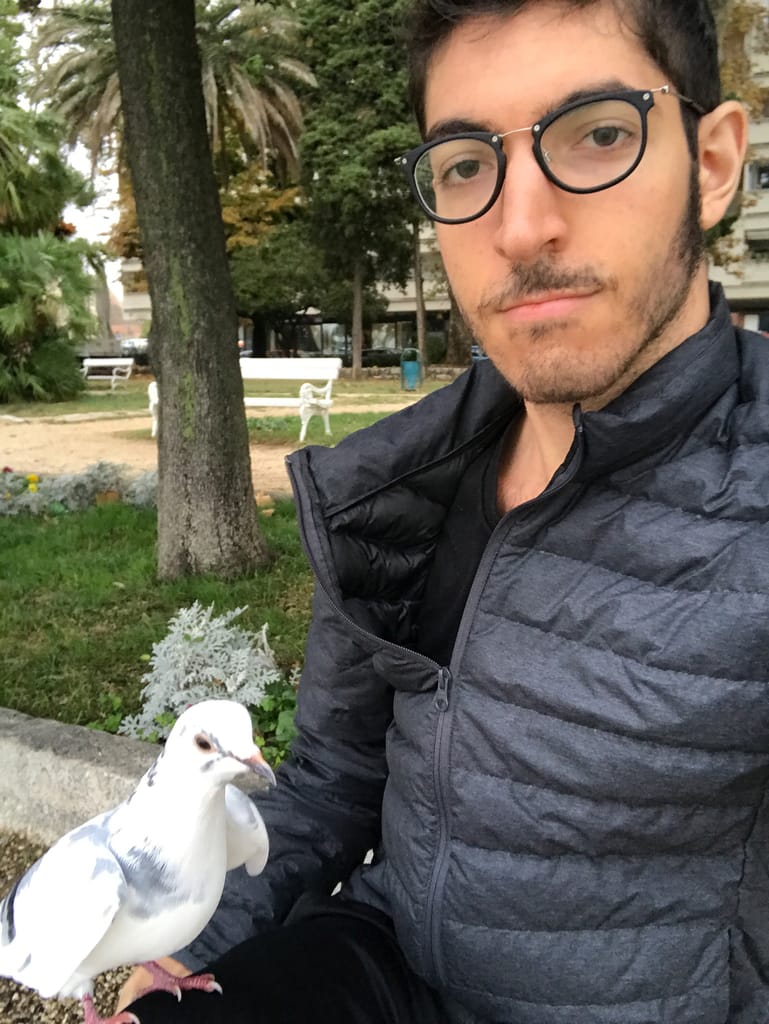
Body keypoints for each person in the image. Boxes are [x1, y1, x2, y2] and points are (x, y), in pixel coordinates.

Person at [119, 1, 760, 1021]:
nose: (521, 225)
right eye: (467, 163)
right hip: (384, 961)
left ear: (713, 162)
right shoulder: (403, 483)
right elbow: (330, 778)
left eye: (599, 133)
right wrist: (184, 947)